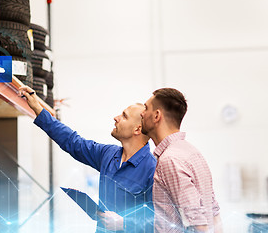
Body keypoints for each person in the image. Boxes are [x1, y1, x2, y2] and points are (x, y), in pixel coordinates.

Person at [19, 86, 156, 232]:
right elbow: (73, 142)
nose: (116, 118)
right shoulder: (108, 154)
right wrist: (38, 110)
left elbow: (159, 221)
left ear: (137, 129)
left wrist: (125, 223)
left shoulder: (152, 169)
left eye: (124, 116)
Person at [140, 88, 223, 233]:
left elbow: (198, 224)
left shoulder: (170, 160)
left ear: (156, 116)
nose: (142, 113)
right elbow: (214, 213)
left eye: (146, 108)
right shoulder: (191, 151)